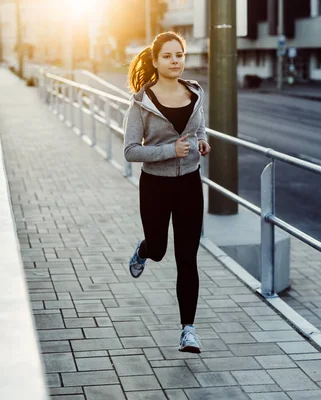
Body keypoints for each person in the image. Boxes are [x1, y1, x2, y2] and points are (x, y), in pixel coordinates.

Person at [123, 31, 211, 354]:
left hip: (189, 182)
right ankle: (143, 251)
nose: (176, 61)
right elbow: (131, 151)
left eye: (180, 55)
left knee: (187, 258)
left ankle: (188, 329)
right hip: (156, 186)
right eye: (168, 56)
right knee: (159, 248)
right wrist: (169, 151)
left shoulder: (195, 93)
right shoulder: (141, 103)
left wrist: (201, 141)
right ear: (156, 61)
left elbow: (198, 126)